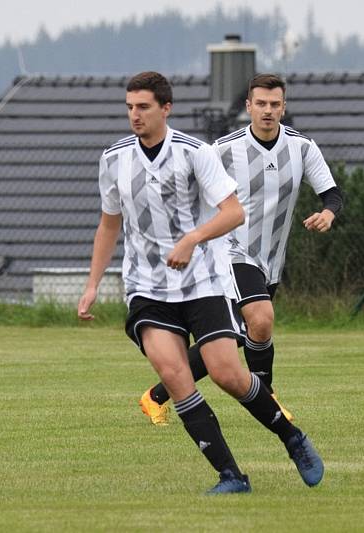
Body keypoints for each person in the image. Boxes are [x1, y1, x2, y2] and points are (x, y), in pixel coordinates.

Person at [77, 71, 324, 494]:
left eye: (143, 107)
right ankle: (231, 476)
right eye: (129, 107)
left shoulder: (194, 153)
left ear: (165, 108)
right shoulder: (114, 158)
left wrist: (192, 239)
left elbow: (233, 213)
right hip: (147, 287)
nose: (134, 115)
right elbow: (108, 224)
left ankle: (292, 437)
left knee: (228, 373)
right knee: (175, 377)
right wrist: (92, 284)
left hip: (204, 280)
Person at [138, 73, 343, 426]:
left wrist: (327, 213)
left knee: (230, 338)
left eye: (274, 104)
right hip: (229, 252)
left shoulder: (303, 147)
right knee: (260, 318)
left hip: (270, 259)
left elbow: (332, 194)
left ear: (283, 107)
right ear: (248, 106)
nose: (267, 110)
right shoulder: (222, 149)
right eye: (260, 103)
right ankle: (268, 398)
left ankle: (155, 396)